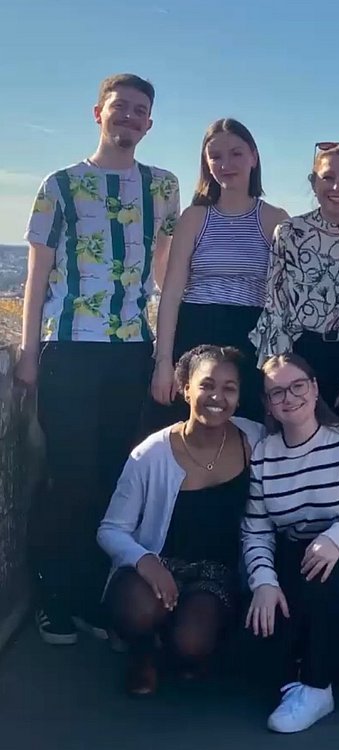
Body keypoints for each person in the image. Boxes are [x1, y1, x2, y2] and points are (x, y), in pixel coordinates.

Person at [16, 73, 180, 646]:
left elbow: (166, 276)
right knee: (69, 476)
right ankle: (54, 596)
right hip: (69, 348)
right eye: (120, 107)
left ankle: (93, 595)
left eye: (139, 111)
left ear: (150, 124)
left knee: (114, 478)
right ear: (98, 113)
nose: (129, 117)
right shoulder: (60, 185)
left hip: (131, 351)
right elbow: (37, 277)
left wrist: (164, 356)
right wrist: (28, 352)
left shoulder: (162, 186)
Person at [97, 345, 264, 695]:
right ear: (186, 389)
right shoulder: (151, 453)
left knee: (191, 642)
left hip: (215, 575)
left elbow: (304, 436)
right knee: (140, 609)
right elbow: (111, 530)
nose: (217, 397)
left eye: (229, 388)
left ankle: (179, 650)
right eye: (206, 385)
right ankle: (142, 653)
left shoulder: (256, 440)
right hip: (158, 563)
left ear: (239, 397)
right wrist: (145, 561)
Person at [242, 353, 339, 733]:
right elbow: (256, 529)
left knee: (328, 579)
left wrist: (335, 539)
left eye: (298, 386)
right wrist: (263, 582)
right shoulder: (264, 454)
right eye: (277, 392)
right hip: (294, 550)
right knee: (265, 626)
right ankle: (292, 679)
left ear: (315, 387)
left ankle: (318, 687)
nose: (289, 397)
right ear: (268, 403)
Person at [150, 118, 289, 426]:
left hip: (250, 338)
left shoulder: (275, 220)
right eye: (216, 156)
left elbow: (284, 301)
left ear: (253, 157)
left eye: (236, 153)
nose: (226, 164)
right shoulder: (194, 217)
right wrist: (163, 362)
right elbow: (171, 294)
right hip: (195, 333)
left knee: (247, 433)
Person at [250, 144, 339, 428]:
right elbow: (276, 307)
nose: (337, 187)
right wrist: (285, 379)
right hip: (301, 356)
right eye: (328, 177)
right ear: (313, 182)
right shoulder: (290, 233)